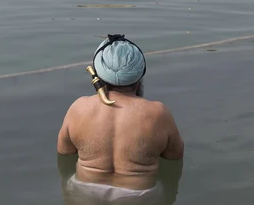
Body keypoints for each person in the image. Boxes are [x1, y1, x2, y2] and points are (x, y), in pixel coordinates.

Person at [57, 34, 184, 195]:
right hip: (139, 201)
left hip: (83, 195)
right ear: (139, 76)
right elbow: (174, 157)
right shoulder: (158, 113)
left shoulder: (78, 108)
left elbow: (64, 153)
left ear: (97, 75)